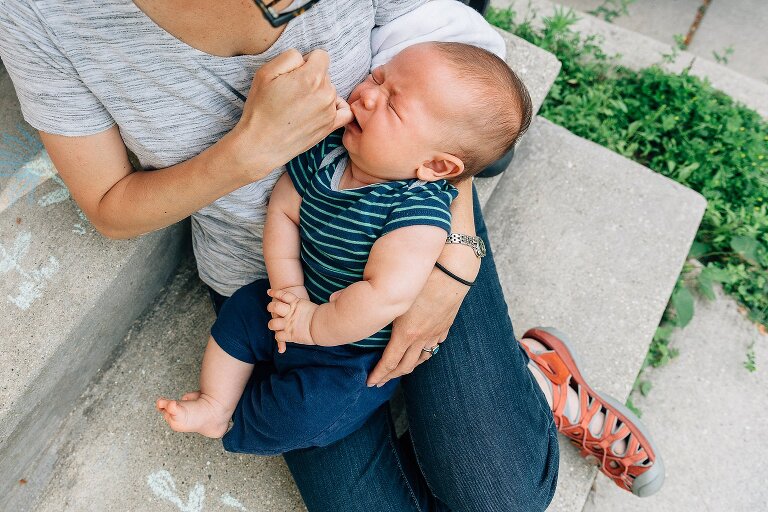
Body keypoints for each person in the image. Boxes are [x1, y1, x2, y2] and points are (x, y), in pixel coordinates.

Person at [0, 0, 662, 509]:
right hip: (265, 276)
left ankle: (534, 378)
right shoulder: (44, 16)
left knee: (503, 497)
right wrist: (245, 155)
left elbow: (452, 76)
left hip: (408, 230)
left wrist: (456, 257)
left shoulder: (423, 179)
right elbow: (110, 204)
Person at [155, 41, 532, 455]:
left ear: (436, 167)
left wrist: (314, 326)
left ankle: (242, 425)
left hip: (349, 351)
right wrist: (290, 290)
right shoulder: (329, 151)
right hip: (300, 300)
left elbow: (384, 295)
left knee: (309, 411)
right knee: (241, 314)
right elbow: (284, 211)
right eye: (379, 76)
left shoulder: (416, 212)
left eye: (392, 107)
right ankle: (215, 404)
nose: (367, 94)